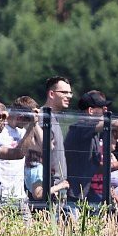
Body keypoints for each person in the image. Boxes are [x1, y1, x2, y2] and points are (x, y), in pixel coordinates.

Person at [64, 90, 110, 205]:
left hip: (84, 192)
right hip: (72, 194)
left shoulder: (92, 132)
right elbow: (111, 124)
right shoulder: (80, 128)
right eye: (102, 107)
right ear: (90, 111)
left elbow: (94, 165)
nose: (106, 110)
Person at [43, 76, 73, 204]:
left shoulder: (54, 118)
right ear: (51, 94)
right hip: (49, 189)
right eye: (64, 92)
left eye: (70, 92)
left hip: (59, 188)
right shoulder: (42, 119)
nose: (70, 96)